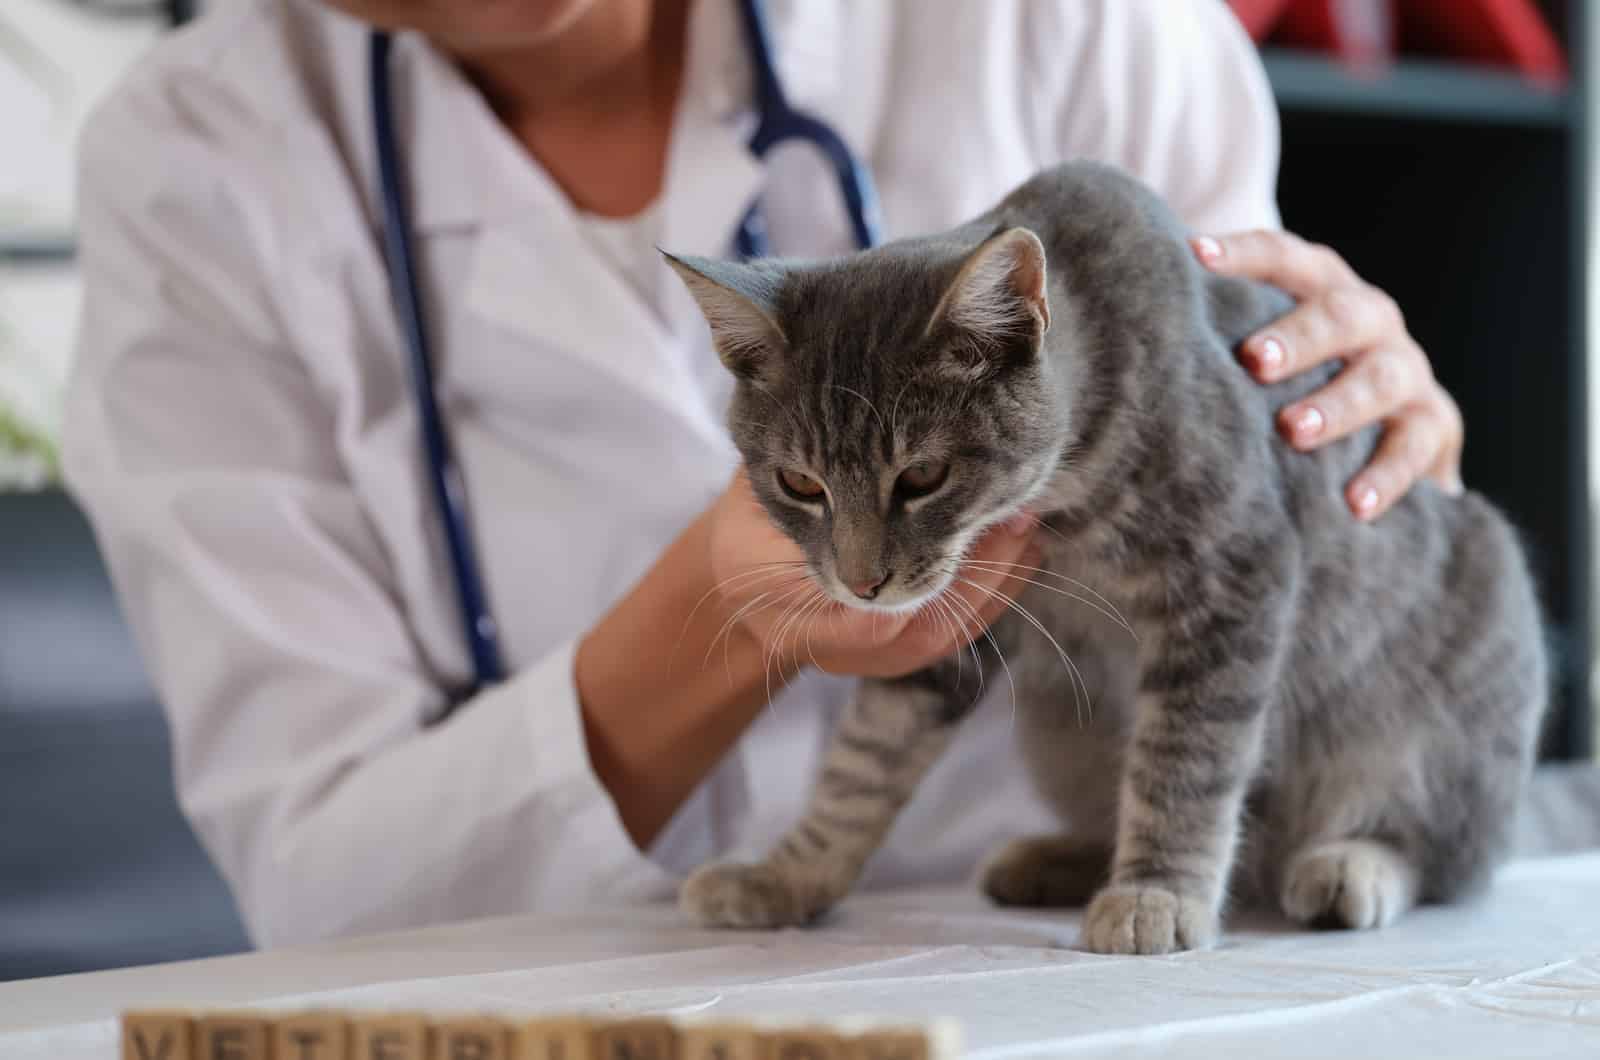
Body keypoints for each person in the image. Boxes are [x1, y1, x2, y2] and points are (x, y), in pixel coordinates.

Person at [63, 0, 1464, 948]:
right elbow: (328, 893)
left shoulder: (1064, 18)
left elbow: (1254, 542)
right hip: (549, 986)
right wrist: (721, 602)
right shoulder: (195, 159)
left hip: (1048, 956)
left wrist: (1370, 436)